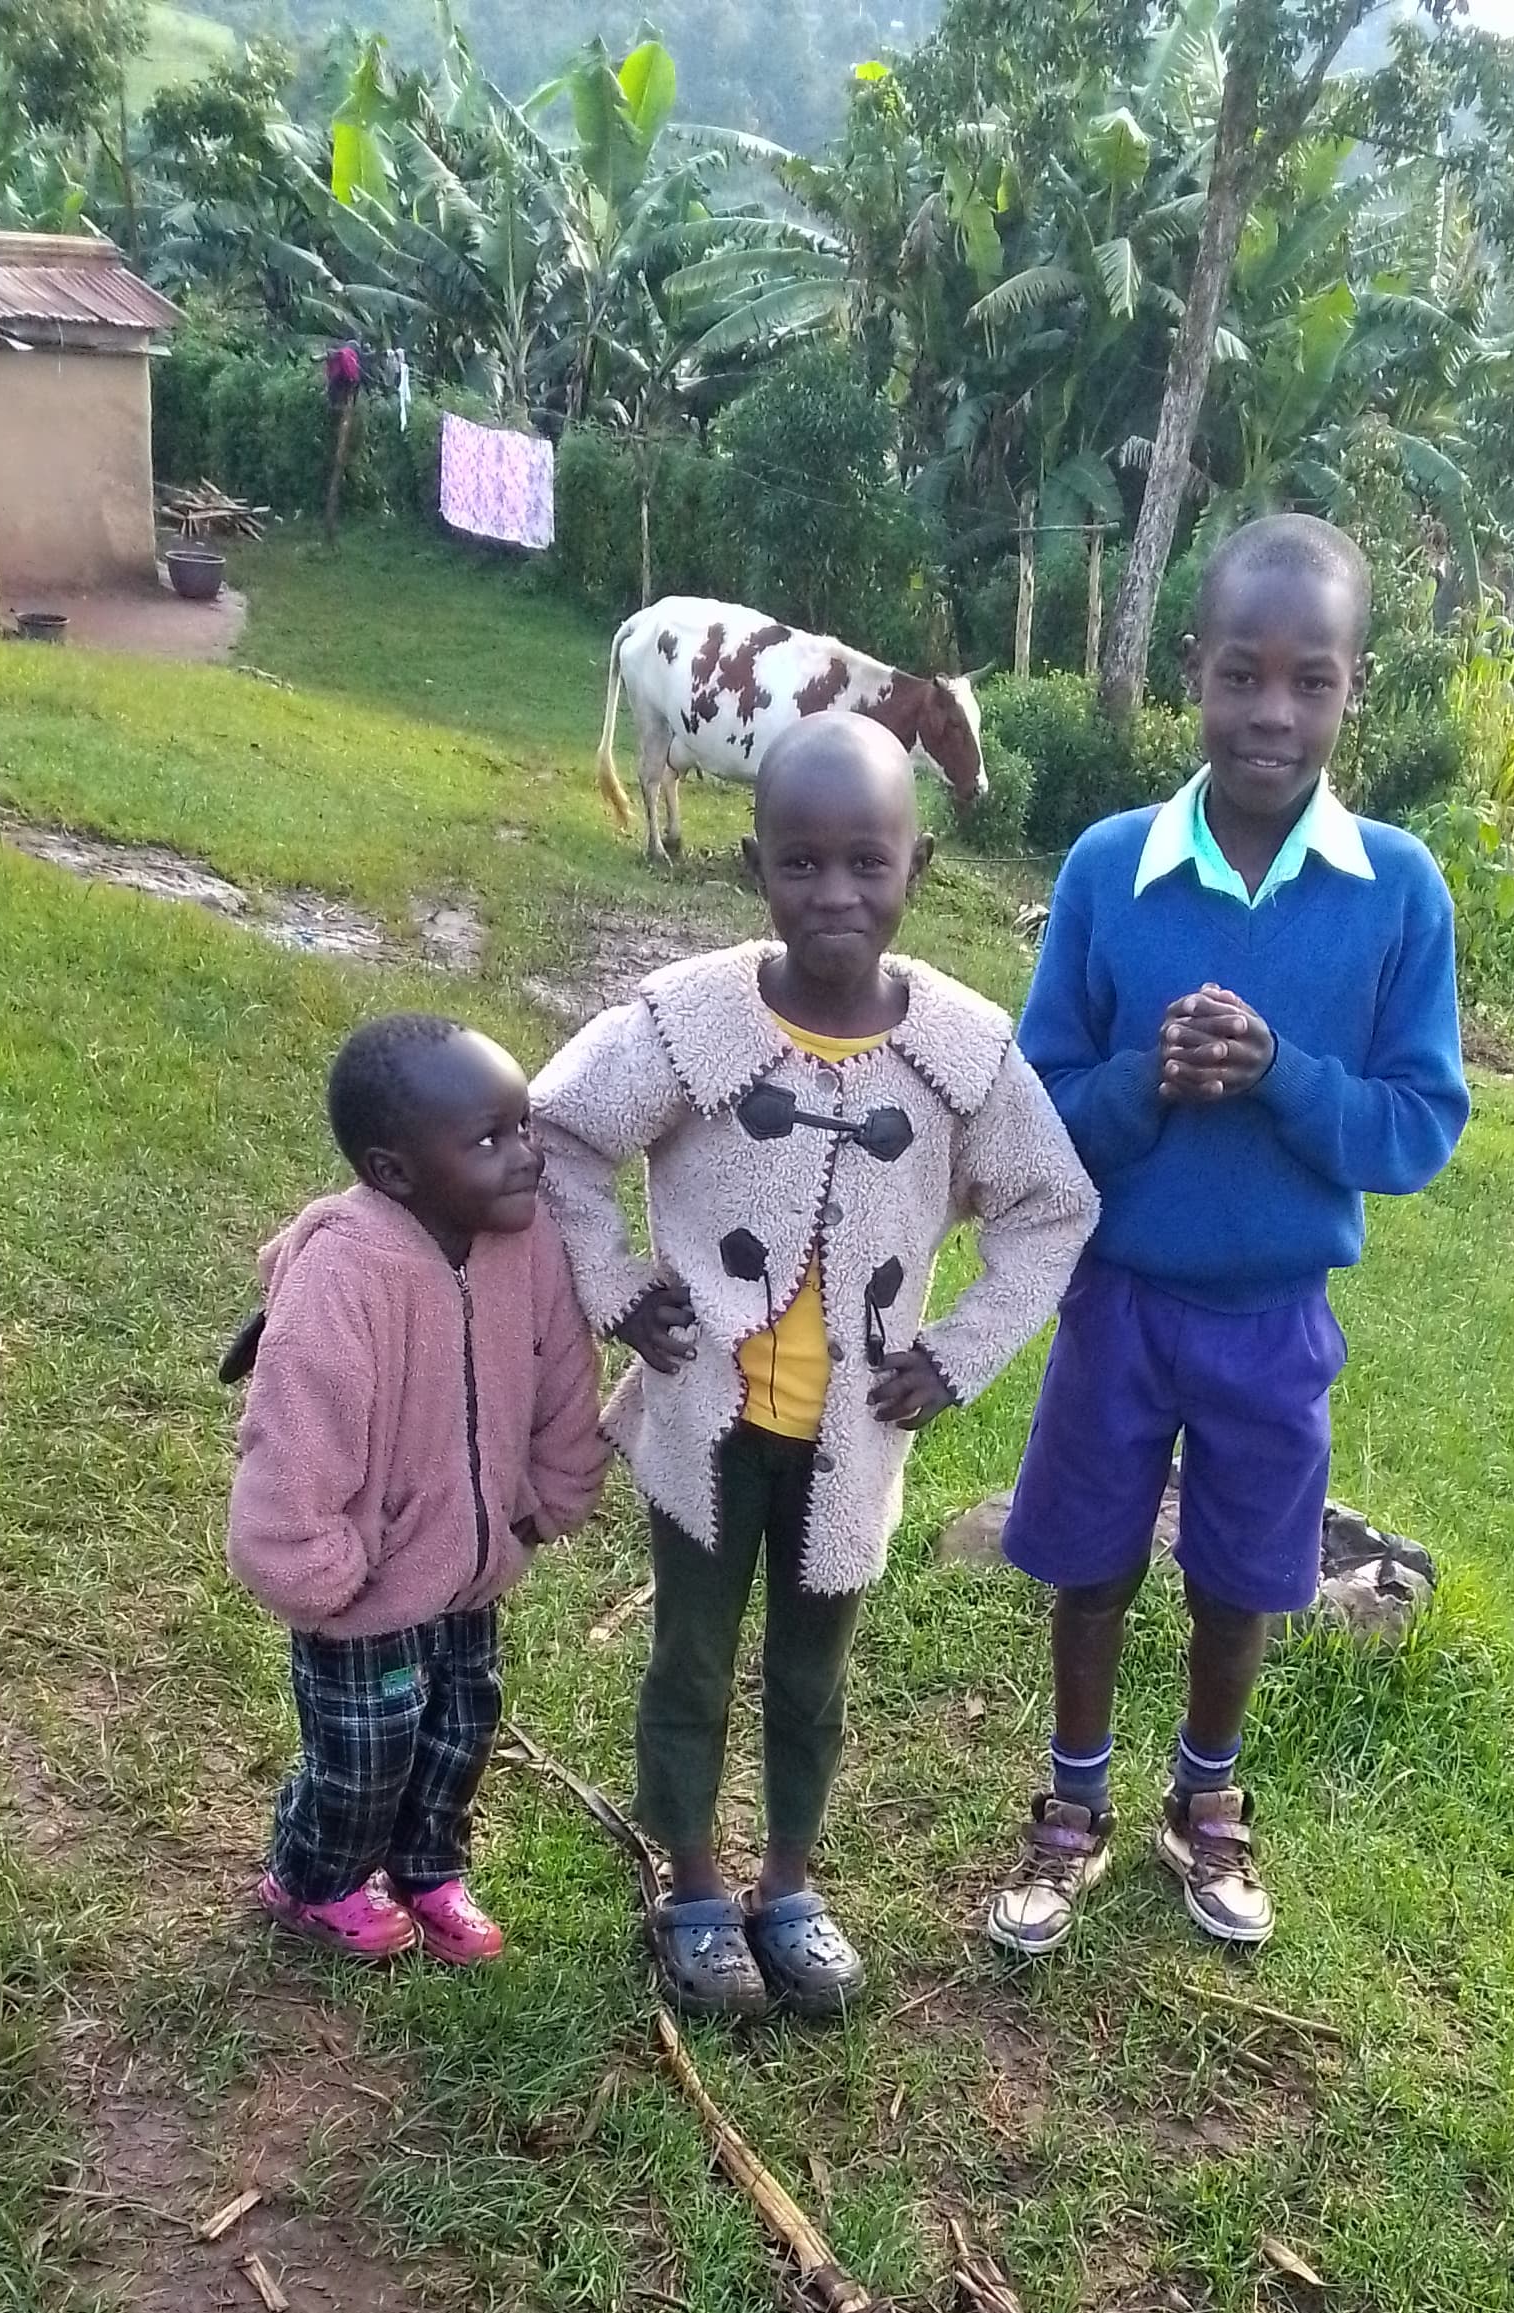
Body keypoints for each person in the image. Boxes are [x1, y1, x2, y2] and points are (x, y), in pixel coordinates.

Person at [533, 712, 1095, 2021]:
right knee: (690, 1655)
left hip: (852, 1440)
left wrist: (957, 1356)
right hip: (702, 1427)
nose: (833, 893)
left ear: (921, 871)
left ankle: (787, 1880)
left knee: (810, 1670)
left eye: (866, 863)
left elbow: (1051, 1207)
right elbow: (559, 1135)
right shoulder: (691, 1023)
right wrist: (615, 1287)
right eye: (800, 864)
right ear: (753, 869)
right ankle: (689, 1881)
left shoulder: (962, 1056)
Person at [988, 514, 1469, 1957]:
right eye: (1241, 676)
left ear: (1350, 692)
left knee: (1246, 1572)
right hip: (1118, 1297)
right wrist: (1147, 1080)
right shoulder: (1110, 868)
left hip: (1272, 1315)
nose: (1272, 713)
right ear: (1190, 674)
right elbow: (1035, 1105)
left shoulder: (1398, 891)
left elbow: (1416, 1127)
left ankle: (1205, 1804)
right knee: (1091, 1557)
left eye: (1309, 681)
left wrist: (1281, 1077)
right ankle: (1070, 1806)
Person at [227, 1015, 607, 1964]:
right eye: (490, 1141)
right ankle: (313, 1881)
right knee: (363, 1757)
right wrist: (322, 1572)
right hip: (365, 1592)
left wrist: (544, 1499)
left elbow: (565, 1374)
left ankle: (428, 1867)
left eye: (524, 1126)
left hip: (473, 1573)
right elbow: (295, 1438)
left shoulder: (527, 1243)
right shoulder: (344, 1277)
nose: (525, 1157)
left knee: (455, 1734)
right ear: (394, 1172)